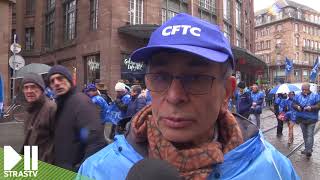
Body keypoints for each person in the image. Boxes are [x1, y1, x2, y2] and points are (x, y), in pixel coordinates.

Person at [77, 13, 299, 179]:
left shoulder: (274, 170)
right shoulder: (97, 171)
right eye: (161, 77)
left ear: (227, 91)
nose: (174, 96)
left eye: (196, 78)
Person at [48, 65, 106, 171]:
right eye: (52, 81)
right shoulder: (59, 104)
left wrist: (80, 171)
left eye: (60, 78)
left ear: (69, 80)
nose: (56, 83)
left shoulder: (81, 102)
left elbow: (96, 142)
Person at [20, 72, 56, 163]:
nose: (29, 91)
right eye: (26, 87)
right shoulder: (29, 109)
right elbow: (28, 140)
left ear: (41, 89)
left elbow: (58, 141)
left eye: (33, 87)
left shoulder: (51, 108)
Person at [292, 83, 319, 157]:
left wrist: (311, 108)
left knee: (310, 134)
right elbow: (293, 104)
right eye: (303, 89)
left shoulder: (315, 96)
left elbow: (318, 105)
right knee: (305, 135)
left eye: (305, 89)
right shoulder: (297, 95)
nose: (304, 91)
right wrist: (297, 106)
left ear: (309, 89)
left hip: (312, 118)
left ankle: (309, 150)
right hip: (301, 118)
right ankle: (307, 148)